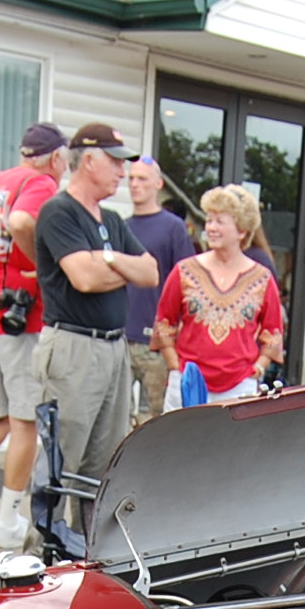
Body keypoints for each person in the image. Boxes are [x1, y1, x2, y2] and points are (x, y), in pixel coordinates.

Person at [0, 121, 66, 550]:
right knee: (25, 421)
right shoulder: (40, 183)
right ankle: (7, 522)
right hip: (20, 315)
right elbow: (22, 220)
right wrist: (42, 263)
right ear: (56, 157)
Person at [33, 122, 158, 484]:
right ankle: (46, 541)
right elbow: (83, 279)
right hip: (73, 348)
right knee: (62, 460)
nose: (123, 171)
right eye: (116, 162)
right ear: (88, 161)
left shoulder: (114, 221)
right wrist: (120, 265)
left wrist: (105, 258)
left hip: (114, 349)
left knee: (105, 467)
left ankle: (88, 542)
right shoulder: (59, 212)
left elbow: (150, 272)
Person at [153, 184, 282, 409]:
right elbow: (164, 323)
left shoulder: (262, 279)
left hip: (239, 388)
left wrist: (258, 369)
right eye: (209, 220)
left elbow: (273, 333)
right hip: (187, 384)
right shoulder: (184, 271)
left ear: (242, 230)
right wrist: (176, 367)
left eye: (220, 221)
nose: (211, 227)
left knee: (233, 445)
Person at [121, 157, 193, 424]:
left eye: (142, 179)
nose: (135, 184)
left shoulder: (173, 228)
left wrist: (175, 342)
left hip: (157, 344)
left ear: (158, 184)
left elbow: (187, 285)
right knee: (118, 419)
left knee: (157, 420)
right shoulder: (122, 226)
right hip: (121, 338)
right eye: (131, 178)